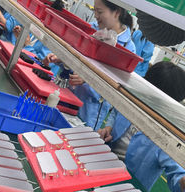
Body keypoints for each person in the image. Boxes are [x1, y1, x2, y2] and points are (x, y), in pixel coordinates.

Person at [98, 61, 185, 192]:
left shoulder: (167, 135)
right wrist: (109, 127)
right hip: (100, 165)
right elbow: (116, 111)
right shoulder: (133, 101)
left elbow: (177, 175)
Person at [43, 0, 135, 130]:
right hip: (67, 95)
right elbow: (75, 55)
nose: (96, 15)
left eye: (100, 12)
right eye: (94, 10)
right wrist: (62, 59)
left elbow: (114, 89)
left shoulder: (128, 48)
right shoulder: (90, 29)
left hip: (90, 110)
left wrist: (88, 79)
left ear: (116, 13)